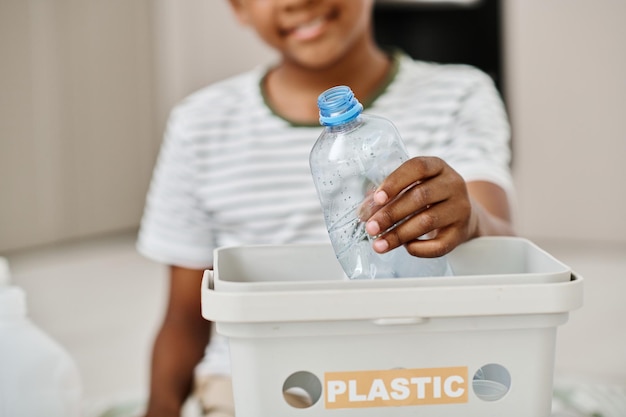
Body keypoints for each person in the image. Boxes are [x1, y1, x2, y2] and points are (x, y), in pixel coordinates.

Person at [136, 0, 515, 416]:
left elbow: (503, 248)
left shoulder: (458, 94)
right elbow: (184, 317)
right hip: (260, 380)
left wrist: (470, 217)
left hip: (424, 369)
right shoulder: (200, 124)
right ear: (239, 7)